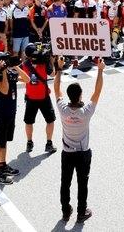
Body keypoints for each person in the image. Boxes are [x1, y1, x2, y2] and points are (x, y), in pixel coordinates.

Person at [53, 56, 105, 223]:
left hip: (67, 153)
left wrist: (59, 69)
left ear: (69, 97)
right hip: (83, 153)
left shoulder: (63, 110)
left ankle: (65, 211)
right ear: (80, 95)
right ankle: (82, 212)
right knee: (83, 184)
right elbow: (97, 92)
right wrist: (100, 70)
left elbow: (56, 89)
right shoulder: (86, 112)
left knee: (65, 183)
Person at [0, 52, 30, 185]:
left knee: (5, 140)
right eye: (3, 61)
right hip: (1, 113)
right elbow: (4, 90)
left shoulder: (11, 72)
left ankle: (3, 165)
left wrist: (16, 66)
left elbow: (27, 80)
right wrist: (3, 72)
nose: (5, 63)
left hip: (11, 112)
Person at [22, 43, 57, 153]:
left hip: (30, 98)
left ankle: (29, 142)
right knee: (50, 120)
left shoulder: (24, 65)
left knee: (29, 122)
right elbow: (53, 74)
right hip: (44, 97)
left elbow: (21, 77)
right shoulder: (44, 63)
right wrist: (51, 60)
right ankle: (49, 143)